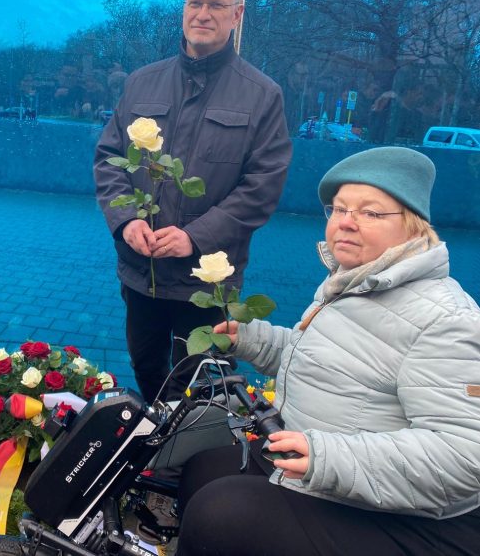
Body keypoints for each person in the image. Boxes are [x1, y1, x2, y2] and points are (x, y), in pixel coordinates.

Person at [177, 146, 480, 555]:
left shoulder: (446, 318)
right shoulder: (353, 281)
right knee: (203, 469)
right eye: (338, 209)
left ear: (413, 226)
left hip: (408, 515)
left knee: (222, 513)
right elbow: (325, 364)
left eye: (370, 213)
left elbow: (465, 454)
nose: (346, 222)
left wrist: (326, 457)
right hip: (332, 472)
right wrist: (248, 339)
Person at [94, 0, 292, 403]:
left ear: (236, 14)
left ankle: (191, 447)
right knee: (146, 366)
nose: (203, 14)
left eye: (216, 5)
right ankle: (158, 439)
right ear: (183, 8)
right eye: (194, 2)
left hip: (208, 280)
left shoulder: (262, 95)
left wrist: (195, 237)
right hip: (141, 271)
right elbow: (109, 158)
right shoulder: (142, 83)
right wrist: (126, 222)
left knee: (203, 384)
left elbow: (263, 186)